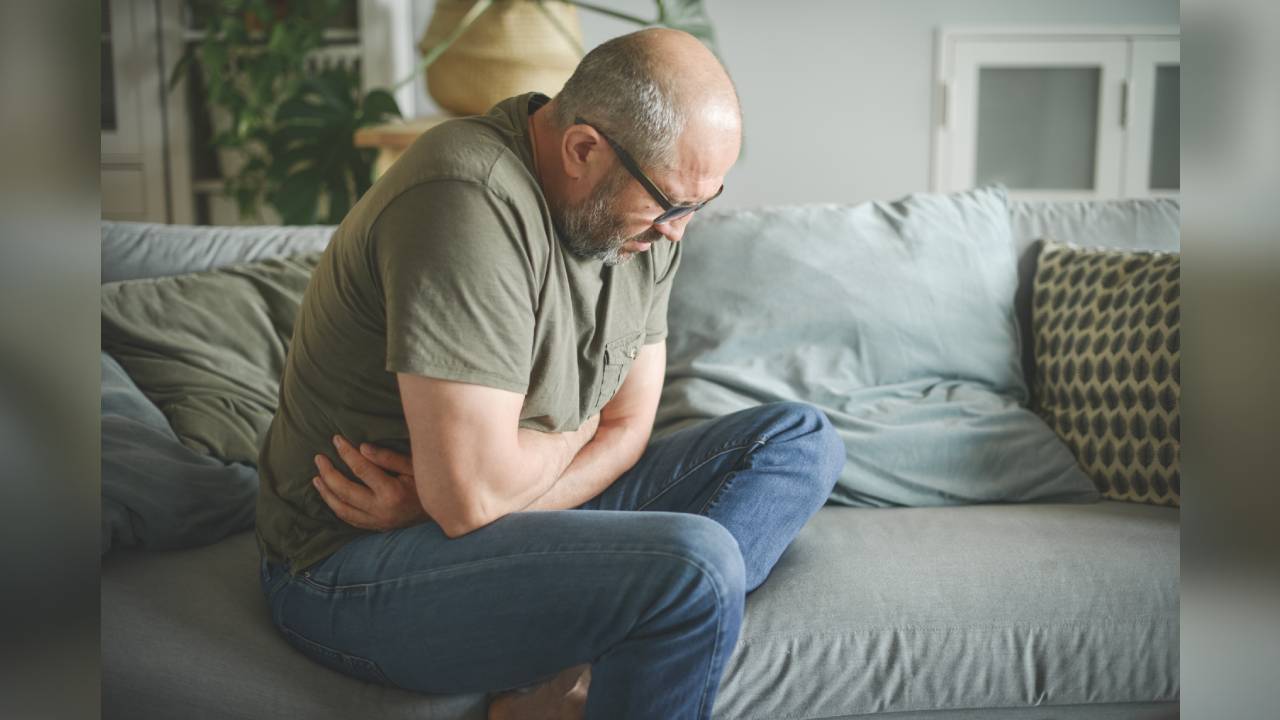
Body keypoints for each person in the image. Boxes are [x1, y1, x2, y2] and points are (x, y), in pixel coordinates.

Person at [255, 28, 845, 720]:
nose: (680, 231)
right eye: (671, 204)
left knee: (801, 439)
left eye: (700, 204)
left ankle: (586, 670)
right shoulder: (465, 196)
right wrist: (567, 439)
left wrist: (465, 497)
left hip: (456, 514)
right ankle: (626, 628)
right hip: (350, 566)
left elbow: (626, 429)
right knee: (696, 563)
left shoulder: (646, 221)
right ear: (583, 148)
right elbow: (478, 494)